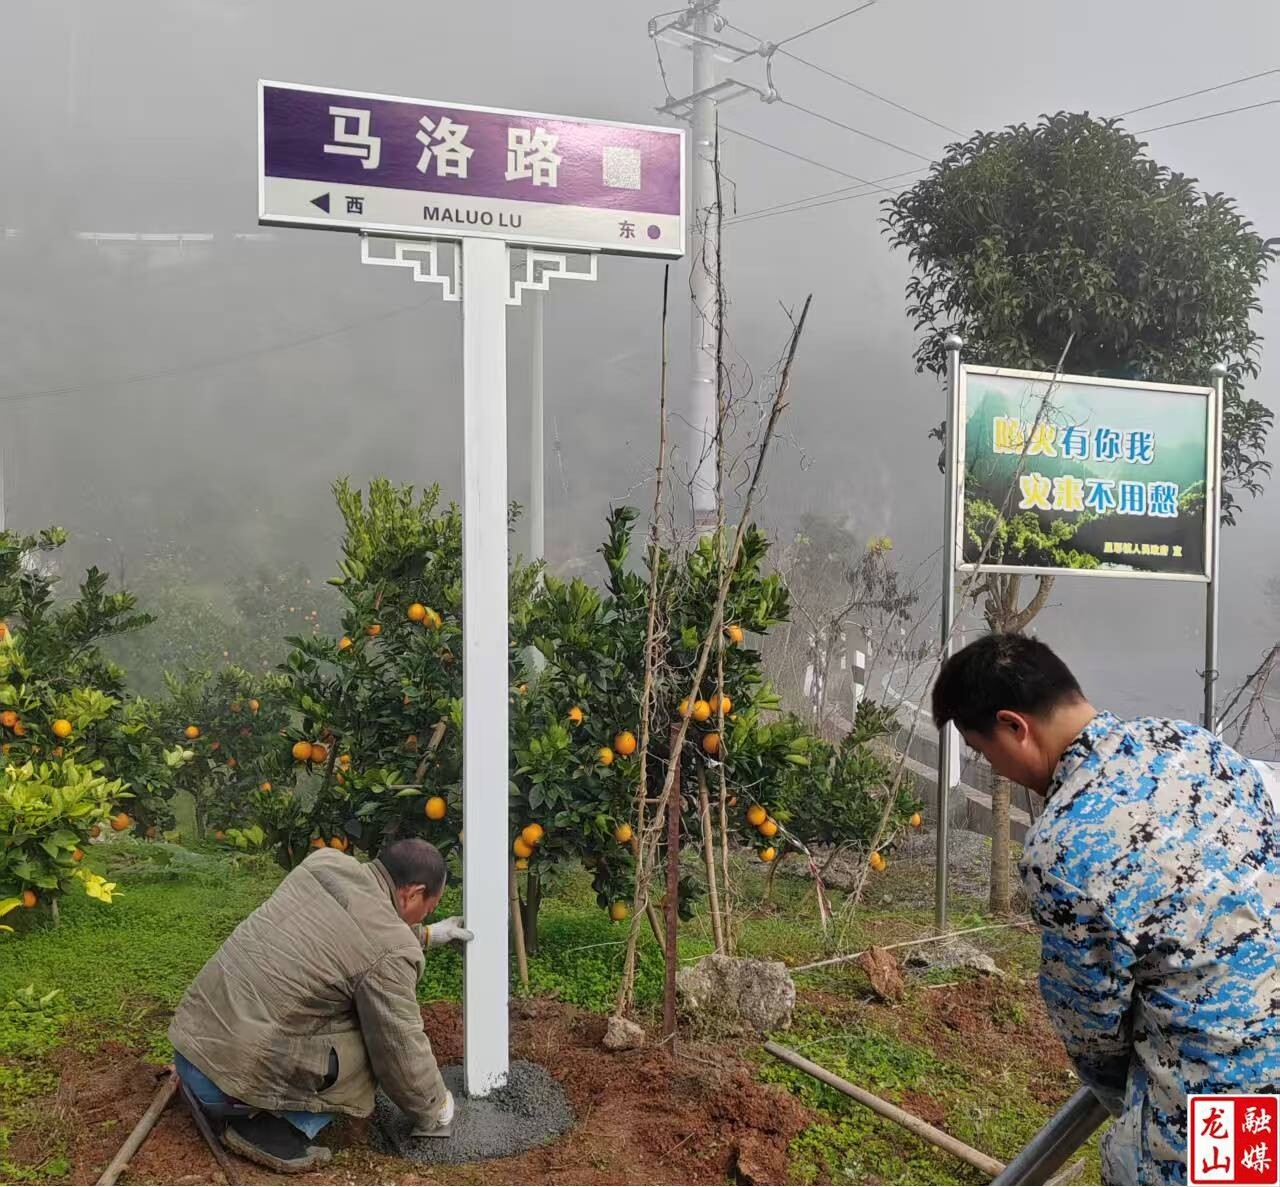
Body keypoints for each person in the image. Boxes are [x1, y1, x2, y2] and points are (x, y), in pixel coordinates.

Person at [932, 633, 1278, 1186]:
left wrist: (1130, 1102)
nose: (992, 766)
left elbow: (1093, 1033)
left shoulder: (1064, 849)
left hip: (1217, 1107)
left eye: (983, 749)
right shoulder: (1192, 744)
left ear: (1014, 727)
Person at [168, 837, 472, 1173]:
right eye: (428, 907)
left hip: (193, 1048)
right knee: (376, 1041)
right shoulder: (390, 949)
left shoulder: (325, 863)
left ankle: (242, 1104)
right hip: (225, 1085)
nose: (425, 915)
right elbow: (400, 1046)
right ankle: (272, 1129)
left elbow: (349, 930)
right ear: (412, 893)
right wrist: (434, 1107)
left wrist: (426, 935)